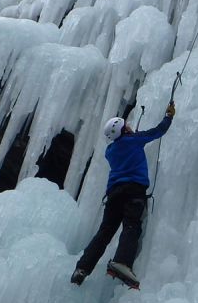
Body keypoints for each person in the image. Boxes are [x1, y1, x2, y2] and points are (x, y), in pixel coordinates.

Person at [71, 102, 175, 289]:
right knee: (132, 225)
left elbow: (126, 145)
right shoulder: (134, 140)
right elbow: (158, 131)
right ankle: (122, 261)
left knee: (104, 232)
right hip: (133, 192)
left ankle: (82, 268)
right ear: (123, 130)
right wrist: (169, 116)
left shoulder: (110, 151)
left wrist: (130, 136)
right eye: (125, 125)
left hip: (113, 195)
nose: (128, 126)